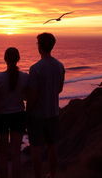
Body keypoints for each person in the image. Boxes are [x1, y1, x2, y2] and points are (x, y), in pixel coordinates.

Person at [26, 33, 65, 178]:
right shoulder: (60, 66)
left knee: (36, 148)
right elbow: (59, 89)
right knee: (52, 146)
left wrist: (27, 111)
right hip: (54, 112)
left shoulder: (36, 68)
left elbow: (33, 95)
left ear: (40, 46)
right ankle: (53, 174)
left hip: (37, 115)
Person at [0, 47, 29, 178]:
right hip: (18, 116)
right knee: (16, 153)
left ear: (4, 59)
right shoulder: (25, 77)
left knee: (2, 154)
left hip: (1, 117)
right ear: (18, 59)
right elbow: (26, 97)